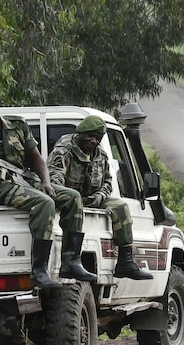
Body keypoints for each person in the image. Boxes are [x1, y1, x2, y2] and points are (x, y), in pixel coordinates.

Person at [0, 86, 96, 290]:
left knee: (72, 197)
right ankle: (39, 271)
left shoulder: (17, 125)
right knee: (44, 203)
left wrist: (46, 183)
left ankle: (70, 262)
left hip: (22, 179)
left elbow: (36, 158)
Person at [47, 114, 152, 280]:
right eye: (91, 136)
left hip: (91, 199)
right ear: (81, 133)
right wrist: (69, 196)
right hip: (67, 200)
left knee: (120, 206)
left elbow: (108, 181)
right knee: (73, 198)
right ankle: (70, 261)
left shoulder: (100, 155)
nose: (94, 141)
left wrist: (100, 195)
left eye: (98, 138)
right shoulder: (64, 150)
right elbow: (54, 178)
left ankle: (125, 262)